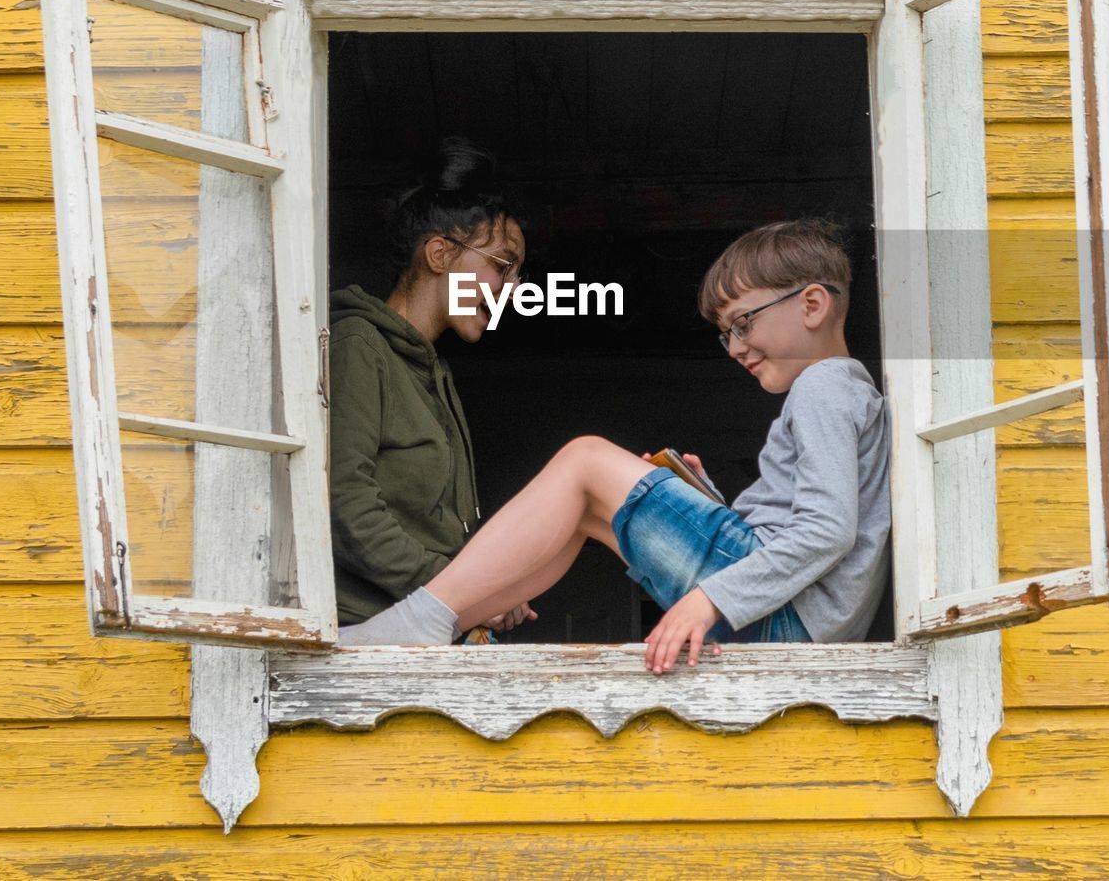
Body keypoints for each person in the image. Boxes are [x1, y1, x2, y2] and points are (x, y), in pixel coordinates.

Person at [339, 218, 891, 673]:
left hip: (782, 616)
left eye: (744, 323)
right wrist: (706, 502)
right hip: (786, 616)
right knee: (586, 511)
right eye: (727, 333)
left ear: (812, 305)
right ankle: (447, 624)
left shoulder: (824, 386)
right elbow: (802, 522)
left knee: (584, 462)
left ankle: (418, 620)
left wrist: (710, 599)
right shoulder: (842, 392)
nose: (735, 347)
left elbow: (826, 529)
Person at [328, 137, 535, 635]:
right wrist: (455, 592)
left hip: (428, 629)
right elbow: (343, 502)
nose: (513, 288)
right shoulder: (357, 345)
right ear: (439, 254)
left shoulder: (434, 372)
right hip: (366, 636)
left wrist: (489, 595)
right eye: (503, 266)